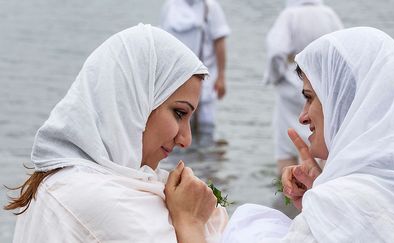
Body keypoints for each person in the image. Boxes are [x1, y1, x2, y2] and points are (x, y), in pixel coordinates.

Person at [4, 23, 228, 243]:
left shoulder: (64, 181)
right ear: (133, 102)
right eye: (179, 113)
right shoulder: (101, 202)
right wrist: (191, 223)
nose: (186, 139)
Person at [222, 27, 394, 242]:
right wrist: (320, 192)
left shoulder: (341, 204)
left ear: (343, 104)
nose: (302, 117)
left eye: (310, 97)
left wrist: (194, 223)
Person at [263, 0, 343, 174]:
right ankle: (320, 180)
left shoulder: (289, 15)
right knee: (323, 136)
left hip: (291, 82)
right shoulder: (329, 14)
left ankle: (286, 190)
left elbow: (276, 52)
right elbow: (342, 50)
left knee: (286, 142)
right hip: (322, 86)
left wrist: (277, 77)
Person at [160, 0, 230, 147]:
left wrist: (221, 77)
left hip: (205, 80)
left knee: (206, 129)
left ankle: (204, 164)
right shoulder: (170, 6)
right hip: (174, 81)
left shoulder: (210, 7)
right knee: (174, 132)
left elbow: (220, 42)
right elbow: (162, 44)